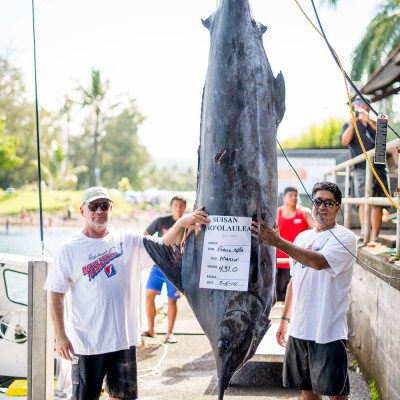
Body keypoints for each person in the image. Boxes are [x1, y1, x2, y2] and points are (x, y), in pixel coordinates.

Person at [44, 186, 209, 400]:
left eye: (104, 206)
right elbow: (55, 292)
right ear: (82, 210)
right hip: (87, 344)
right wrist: (60, 336)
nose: (99, 211)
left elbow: (164, 246)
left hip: (123, 341)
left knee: (123, 397)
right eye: (93, 206)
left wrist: (180, 223)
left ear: (111, 209)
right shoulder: (68, 248)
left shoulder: (127, 240)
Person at [251, 181, 356, 399]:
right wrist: (284, 320)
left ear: (338, 207)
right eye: (318, 201)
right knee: (306, 391)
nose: (322, 207)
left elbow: (318, 262)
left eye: (329, 202)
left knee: (335, 393)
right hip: (300, 330)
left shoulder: (345, 237)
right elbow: (294, 282)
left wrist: (278, 242)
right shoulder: (302, 237)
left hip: (328, 332)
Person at [341, 98, 389, 243]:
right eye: (358, 104)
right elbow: (345, 141)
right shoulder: (350, 124)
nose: (361, 107)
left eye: (364, 104)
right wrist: (353, 123)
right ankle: (364, 232)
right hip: (361, 168)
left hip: (379, 167)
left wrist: (369, 121)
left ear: (368, 107)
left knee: (378, 203)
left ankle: (374, 236)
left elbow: (382, 143)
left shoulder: (375, 123)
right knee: (363, 200)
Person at [142, 196, 187, 344]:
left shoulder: (188, 223)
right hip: (158, 266)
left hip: (175, 269)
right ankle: (151, 329)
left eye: (181, 206)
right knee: (149, 295)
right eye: (175, 205)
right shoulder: (161, 221)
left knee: (172, 300)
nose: (178, 208)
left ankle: (170, 333)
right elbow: (144, 237)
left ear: (184, 208)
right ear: (172, 206)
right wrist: (153, 253)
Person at [276, 187, 314, 301]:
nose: (293, 197)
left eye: (295, 195)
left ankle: (289, 318)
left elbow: (318, 229)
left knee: (297, 296)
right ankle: (283, 318)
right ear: (283, 197)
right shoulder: (276, 213)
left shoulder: (304, 212)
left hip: (299, 261)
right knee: (279, 297)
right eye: (290, 195)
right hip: (279, 262)